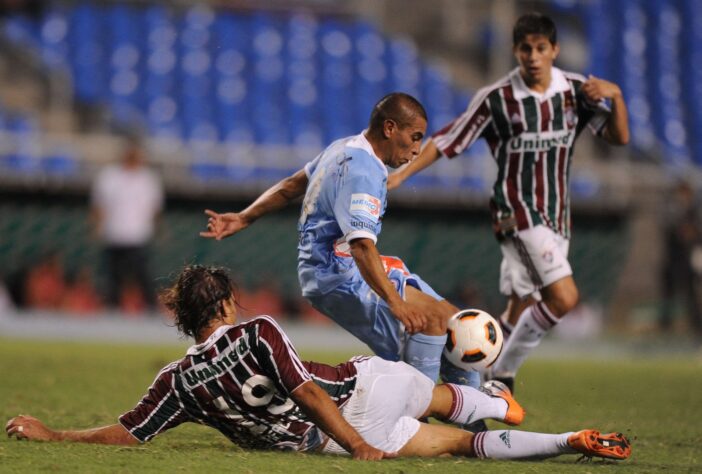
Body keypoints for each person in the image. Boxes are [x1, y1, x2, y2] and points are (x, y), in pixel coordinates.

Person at [5, 264, 631, 463]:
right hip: (358, 396)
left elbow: (128, 432)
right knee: (440, 396)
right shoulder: (256, 331)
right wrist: (359, 443)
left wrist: (53, 433)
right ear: (225, 302)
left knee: (456, 450)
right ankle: (499, 401)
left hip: (323, 446)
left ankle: (564, 442)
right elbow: (308, 392)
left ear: (182, 318)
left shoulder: (175, 382)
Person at [388, 13, 630, 390]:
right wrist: (401, 174)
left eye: (540, 48)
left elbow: (618, 138)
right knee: (564, 298)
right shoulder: (497, 99)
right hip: (516, 213)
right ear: (516, 51)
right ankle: (503, 375)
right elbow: (445, 140)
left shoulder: (576, 91)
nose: (533, 56)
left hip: (556, 216)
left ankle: (467, 369)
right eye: (525, 49)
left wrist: (616, 96)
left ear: (554, 50)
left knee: (521, 305)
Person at [201, 93, 479, 392]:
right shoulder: (363, 171)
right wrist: (394, 301)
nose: (416, 149)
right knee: (430, 321)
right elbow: (360, 245)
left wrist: (245, 216)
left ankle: (474, 420)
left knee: (455, 323)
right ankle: (415, 413)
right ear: (389, 128)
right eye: (414, 137)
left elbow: (292, 185)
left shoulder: (343, 146)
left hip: (335, 266)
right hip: (337, 276)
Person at [90, 137, 164, 311]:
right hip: (114, 234)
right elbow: (99, 205)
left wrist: (157, 228)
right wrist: (97, 226)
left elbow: (155, 208)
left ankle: (151, 310)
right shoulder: (109, 176)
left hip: (138, 235)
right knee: (112, 278)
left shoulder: (148, 178)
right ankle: (111, 310)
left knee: (143, 276)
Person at [659, 179, 702, 339]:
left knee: (691, 297)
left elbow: (694, 232)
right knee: (668, 296)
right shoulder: (672, 211)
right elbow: (671, 230)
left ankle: (696, 330)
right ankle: (666, 329)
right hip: (673, 261)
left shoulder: (693, 211)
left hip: (688, 262)